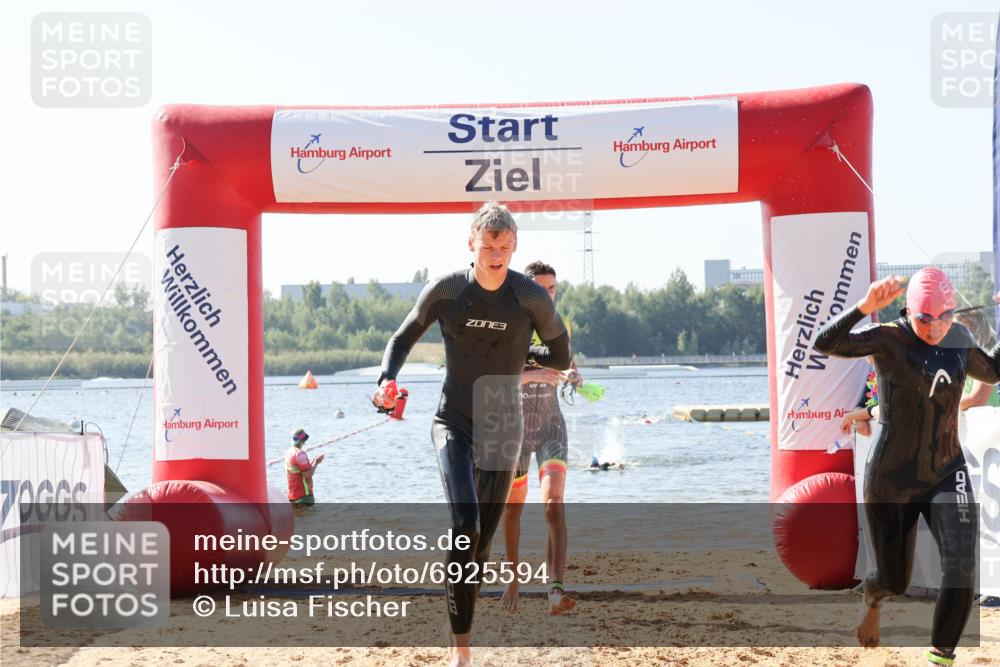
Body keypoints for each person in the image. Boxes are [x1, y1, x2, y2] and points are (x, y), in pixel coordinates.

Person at [371, 202, 571, 667]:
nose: (496, 254)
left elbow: (560, 355)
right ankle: (462, 652)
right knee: (465, 527)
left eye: (504, 247)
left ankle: (457, 617)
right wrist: (386, 380)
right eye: (488, 246)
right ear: (471, 245)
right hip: (454, 421)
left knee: (479, 546)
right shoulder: (447, 289)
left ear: (514, 246)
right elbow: (401, 339)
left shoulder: (530, 298)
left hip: (504, 426)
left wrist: (523, 360)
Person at [815, 268, 1000, 666]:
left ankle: (941, 655)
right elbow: (824, 343)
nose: (935, 330)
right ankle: (873, 598)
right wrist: (864, 307)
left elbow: (994, 371)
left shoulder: (960, 339)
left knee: (963, 566)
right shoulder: (889, 338)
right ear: (907, 311)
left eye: (944, 317)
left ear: (954, 312)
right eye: (924, 319)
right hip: (891, 479)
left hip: (946, 470)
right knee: (894, 581)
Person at [500, 261, 582, 616]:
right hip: (513, 430)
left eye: (552, 289)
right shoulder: (508, 324)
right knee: (512, 510)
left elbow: (568, 365)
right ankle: (514, 579)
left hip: (551, 426)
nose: (547, 294)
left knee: (553, 504)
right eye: (540, 288)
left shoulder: (559, 327)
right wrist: (536, 374)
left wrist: (573, 375)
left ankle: (555, 589)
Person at [955, 307, 1000, 411]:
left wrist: (946, 405)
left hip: (987, 422)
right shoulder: (968, 355)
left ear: (972, 327)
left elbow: (977, 399)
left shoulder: (986, 355)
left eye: (957, 327)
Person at [285, 428, 324, 506]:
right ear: (303, 440)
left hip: (293, 495)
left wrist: (312, 461)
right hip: (304, 495)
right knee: (309, 517)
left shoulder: (289, 452)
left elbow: (297, 469)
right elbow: (307, 475)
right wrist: (316, 462)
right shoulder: (300, 454)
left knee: (297, 517)